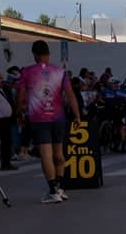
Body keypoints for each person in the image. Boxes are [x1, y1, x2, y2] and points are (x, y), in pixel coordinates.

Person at [17, 40, 81, 203]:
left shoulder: (27, 72)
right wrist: (77, 115)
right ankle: (60, 188)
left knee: (46, 154)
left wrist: (18, 114)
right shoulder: (60, 72)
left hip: (39, 118)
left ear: (34, 54)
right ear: (49, 54)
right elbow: (70, 95)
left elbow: (20, 95)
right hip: (58, 118)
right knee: (59, 154)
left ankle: (53, 191)